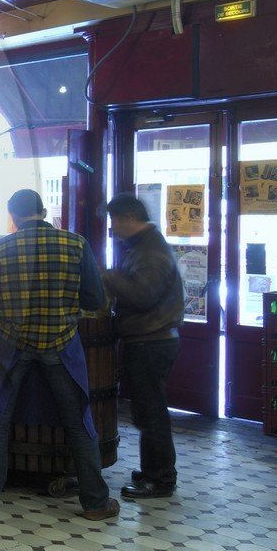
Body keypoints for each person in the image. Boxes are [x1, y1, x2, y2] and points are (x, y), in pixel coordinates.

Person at [0, 189, 117, 520]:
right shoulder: (76, 244)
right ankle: (95, 502)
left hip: (11, 345)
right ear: (44, 211)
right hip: (61, 344)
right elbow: (94, 300)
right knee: (79, 419)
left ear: (13, 216)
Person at [102, 193, 184, 500]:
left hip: (152, 341)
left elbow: (144, 295)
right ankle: (155, 469)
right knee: (148, 410)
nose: (113, 228)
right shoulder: (143, 246)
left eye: (114, 221)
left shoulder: (149, 252)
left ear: (127, 218)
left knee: (152, 412)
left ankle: (159, 478)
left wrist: (108, 277)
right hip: (149, 340)